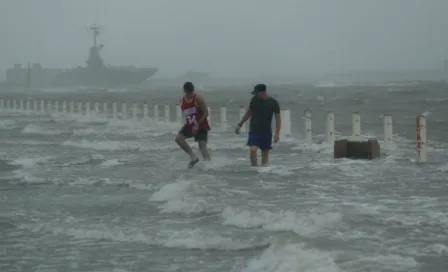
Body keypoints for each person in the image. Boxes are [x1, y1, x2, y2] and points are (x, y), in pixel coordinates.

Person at [235, 83, 281, 166]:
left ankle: (263, 172)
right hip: (254, 130)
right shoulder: (254, 100)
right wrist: (240, 124)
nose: (256, 95)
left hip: (266, 131)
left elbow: (278, 119)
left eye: (257, 93)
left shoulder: (273, 103)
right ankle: (254, 169)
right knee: (253, 150)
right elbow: (248, 113)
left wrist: (277, 133)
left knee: (265, 154)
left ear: (262, 92)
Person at [175, 82, 211, 168]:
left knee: (202, 145)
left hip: (201, 124)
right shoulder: (182, 100)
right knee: (178, 139)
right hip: (190, 125)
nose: (191, 94)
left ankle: (209, 165)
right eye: (189, 93)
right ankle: (193, 157)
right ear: (185, 91)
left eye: (192, 92)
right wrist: (192, 125)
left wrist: (197, 124)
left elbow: (206, 113)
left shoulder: (198, 98)